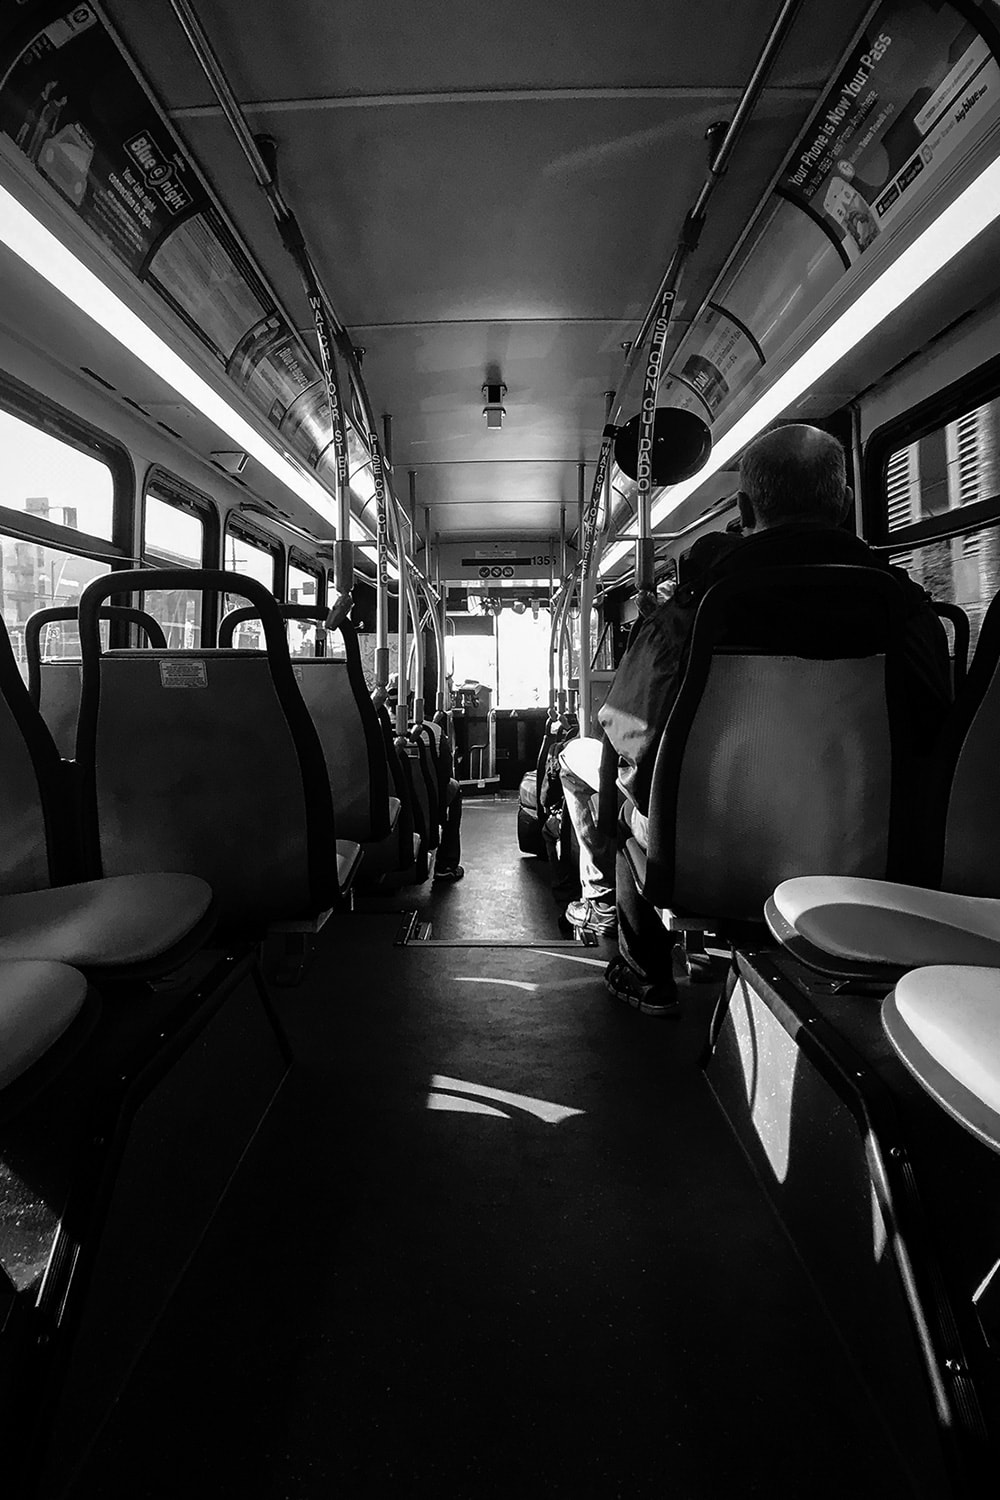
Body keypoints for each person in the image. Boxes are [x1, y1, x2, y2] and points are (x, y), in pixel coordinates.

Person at [563, 423, 952, 1015]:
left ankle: (643, 972)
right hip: (869, 863)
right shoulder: (906, 611)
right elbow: (934, 738)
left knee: (618, 794)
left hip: (706, 858)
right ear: (845, 502)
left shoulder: (695, 610)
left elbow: (626, 730)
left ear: (744, 508)